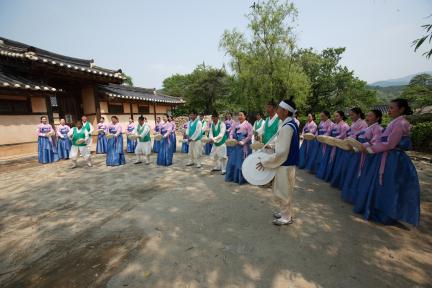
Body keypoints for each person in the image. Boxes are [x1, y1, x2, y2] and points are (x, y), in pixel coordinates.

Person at [353, 99, 420, 226]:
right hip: (387, 156)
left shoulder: (400, 123)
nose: (389, 111)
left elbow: (390, 143)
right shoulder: (395, 122)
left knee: (389, 185)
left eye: (392, 108)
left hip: (393, 159)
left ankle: (387, 213)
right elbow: (381, 141)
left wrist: (370, 149)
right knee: (383, 184)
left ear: (401, 109)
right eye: (388, 108)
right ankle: (380, 209)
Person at [257, 98, 299, 226]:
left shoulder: (287, 127)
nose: (277, 111)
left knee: (283, 191)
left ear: (285, 112)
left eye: (279, 109)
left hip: (285, 165)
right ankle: (285, 213)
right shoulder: (290, 124)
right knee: (284, 190)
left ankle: (286, 217)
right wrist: (272, 145)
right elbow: (281, 142)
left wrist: (265, 161)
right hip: (288, 164)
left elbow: (281, 153)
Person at [340, 109, 383, 204]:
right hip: (360, 151)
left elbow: (374, 142)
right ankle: (352, 195)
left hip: (367, 154)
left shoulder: (378, 128)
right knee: (355, 173)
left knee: (361, 174)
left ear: (378, 118)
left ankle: (358, 197)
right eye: (367, 115)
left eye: (371, 116)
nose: (368, 118)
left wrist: (363, 146)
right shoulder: (368, 127)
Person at [329, 107, 368, 188]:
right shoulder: (354, 123)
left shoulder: (363, 123)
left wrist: (348, 139)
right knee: (344, 166)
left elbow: (360, 136)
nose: (351, 117)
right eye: (350, 115)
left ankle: (348, 186)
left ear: (358, 114)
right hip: (348, 145)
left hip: (355, 148)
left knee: (351, 168)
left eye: (352, 115)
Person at [316, 111, 349, 181]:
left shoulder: (345, 125)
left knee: (336, 162)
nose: (335, 118)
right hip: (332, 144)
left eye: (337, 116)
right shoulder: (334, 125)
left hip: (339, 147)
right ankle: (327, 176)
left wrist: (334, 139)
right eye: (335, 116)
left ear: (342, 117)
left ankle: (334, 178)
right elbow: (329, 132)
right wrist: (324, 137)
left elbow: (343, 135)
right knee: (329, 160)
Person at [225, 111, 253, 185]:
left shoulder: (248, 125)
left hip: (244, 146)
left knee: (241, 161)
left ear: (245, 116)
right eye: (238, 115)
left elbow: (250, 135)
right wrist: (232, 139)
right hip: (235, 145)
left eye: (241, 115)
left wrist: (242, 142)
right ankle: (233, 177)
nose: (239, 116)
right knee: (232, 160)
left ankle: (241, 179)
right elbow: (231, 132)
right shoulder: (235, 124)